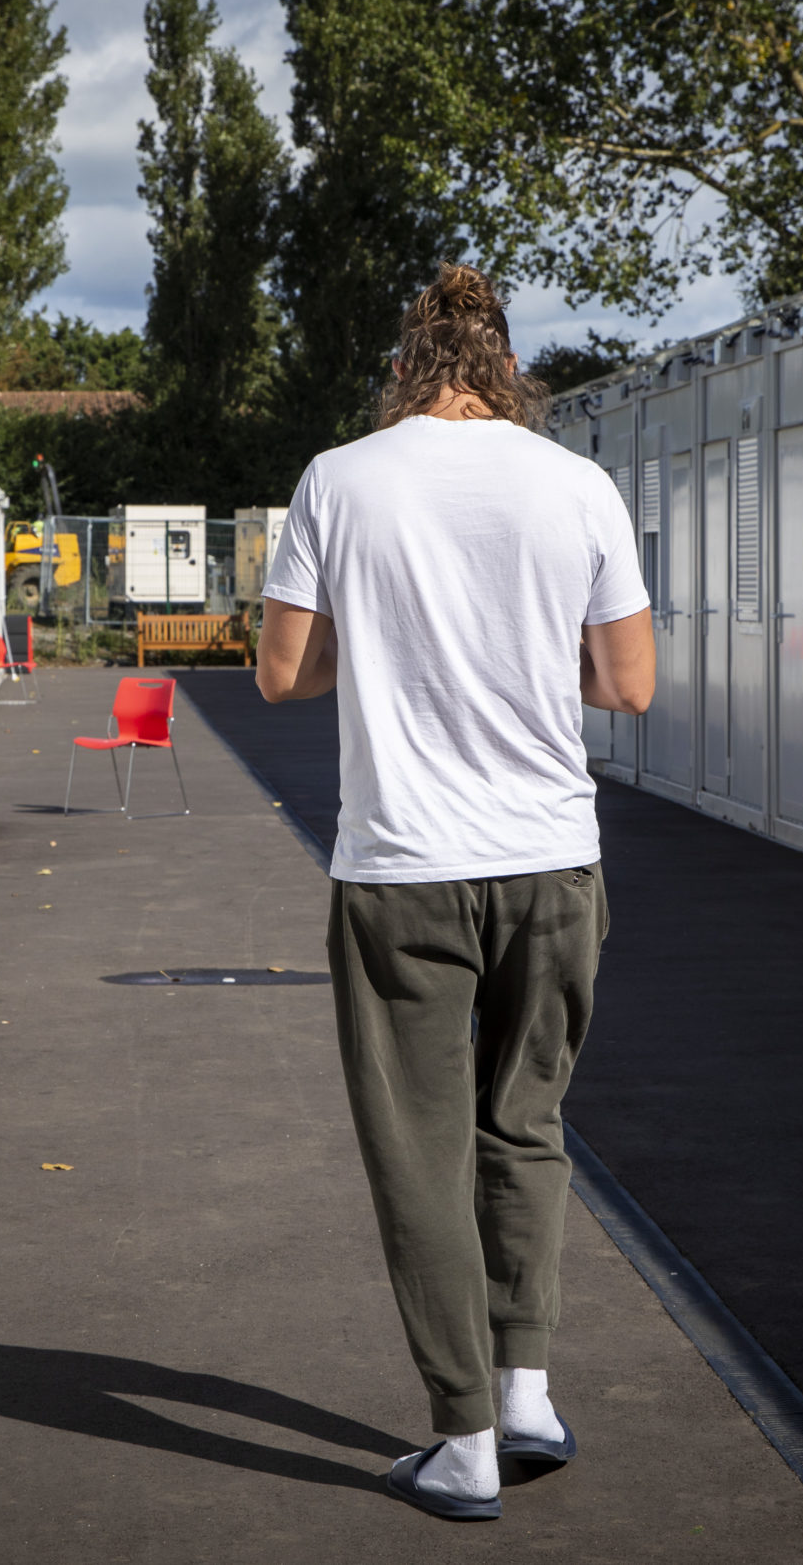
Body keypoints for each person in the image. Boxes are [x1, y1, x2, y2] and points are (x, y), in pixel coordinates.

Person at [255, 262, 655, 1521]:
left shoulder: (341, 477)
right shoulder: (579, 483)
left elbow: (281, 676)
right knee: (522, 1125)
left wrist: (383, 635)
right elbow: (626, 684)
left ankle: (462, 1436)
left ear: (408, 361)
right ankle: (526, 1386)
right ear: (503, 362)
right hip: (551, 858)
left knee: (420, 1155)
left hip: (403, 867)